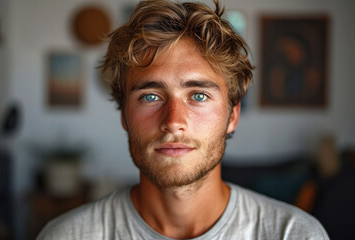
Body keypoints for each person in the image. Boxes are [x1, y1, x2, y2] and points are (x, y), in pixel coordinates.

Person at [37, 0, 329, 239]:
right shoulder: (67, 236)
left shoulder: (295, 234)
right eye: (150, 96)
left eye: (199, 96)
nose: (173, 121)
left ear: (233, 115)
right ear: (124, 115)